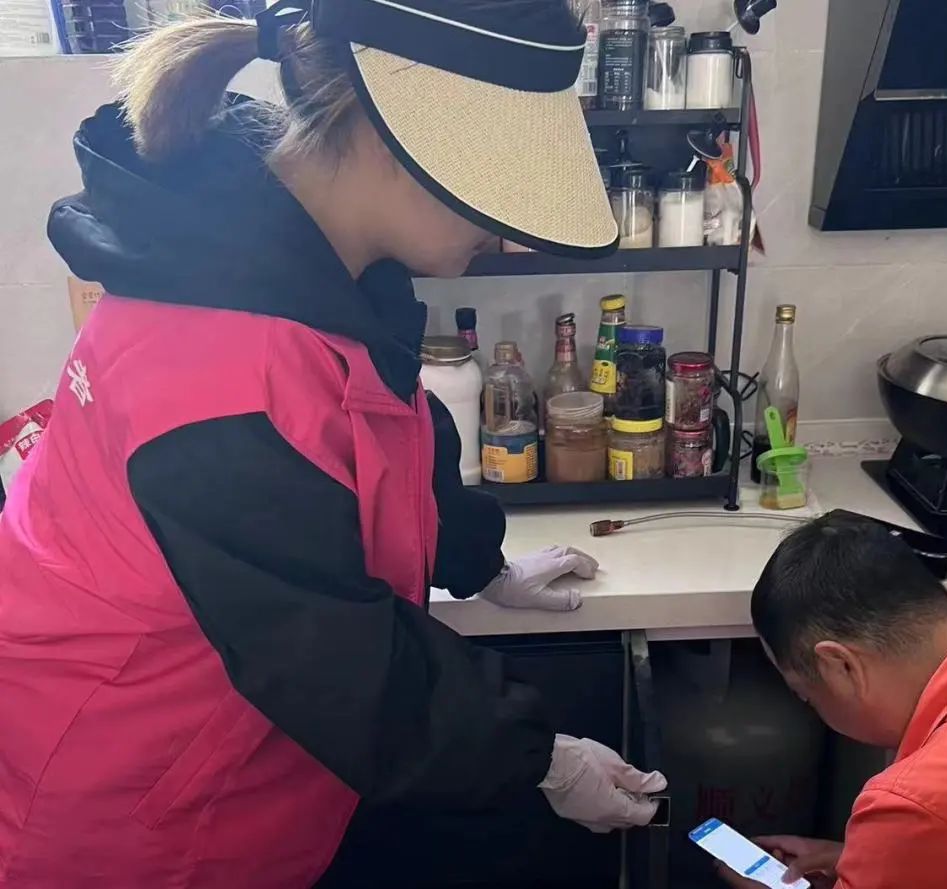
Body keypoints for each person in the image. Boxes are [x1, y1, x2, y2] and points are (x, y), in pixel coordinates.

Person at [0, 1, 666, 886]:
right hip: (136, 805)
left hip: (240, 761)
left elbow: (380, 429)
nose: (503, 227)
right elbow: (334, 662)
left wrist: (479, 562)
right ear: (393, 135)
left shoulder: (296, 262)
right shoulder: (215, 373)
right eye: (496, 184)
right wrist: (542, 757)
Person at [717, 512, 947, 889]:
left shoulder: (917, 803)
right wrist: (874, 861)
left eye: (805, 695)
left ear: (840, 666)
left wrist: (891, 848)